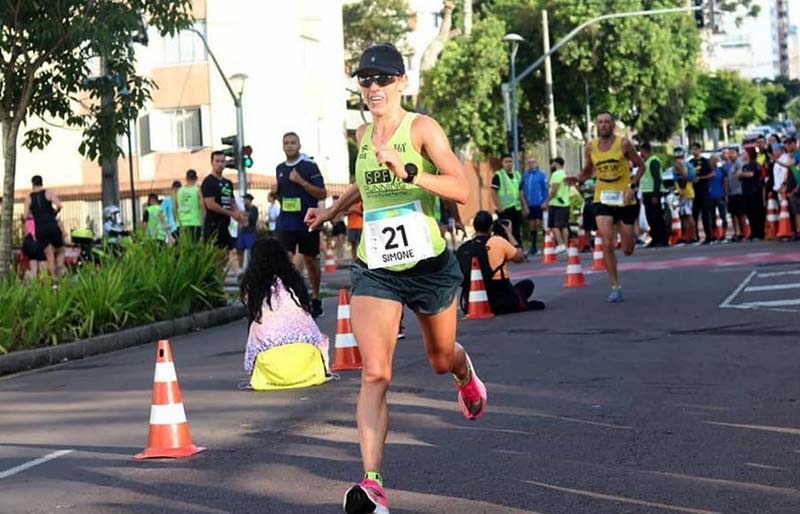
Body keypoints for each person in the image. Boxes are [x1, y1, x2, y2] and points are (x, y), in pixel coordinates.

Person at [304, 43, 485, 514]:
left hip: (427, 264)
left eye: (383, 79)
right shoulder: (363, 133)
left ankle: (465, 373)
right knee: (374, 372)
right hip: (377, 267)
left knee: (440, 359)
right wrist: (330, 211)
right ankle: (372, 484)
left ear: (402, 82)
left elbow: (461, 189)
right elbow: (366, 185)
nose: (374, 87)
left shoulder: (421, 128)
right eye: (365, 80)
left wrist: (409, 171)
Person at [567, 112, 647, 302]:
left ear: (613, 125)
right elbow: (587, 171)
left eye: (607, 122)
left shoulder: (624, 144)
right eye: (600, 122)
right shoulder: (591, 147)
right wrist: (577, 178)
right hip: (602, 197)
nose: (603, 125)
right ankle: (615, 286)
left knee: (627, 249)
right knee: (607, 242)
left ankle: (627, 235)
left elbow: (641, 166)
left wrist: (633, 186)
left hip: (625, 198)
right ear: (596, 125)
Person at [240, 238, 330, 390]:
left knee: (256, 326)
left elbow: (253, 315)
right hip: (307, 361)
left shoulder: (253, 287)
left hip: (271, 369)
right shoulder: (294, 283)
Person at [275, 132, 327, 318]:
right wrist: (274, 193)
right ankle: (290, 298)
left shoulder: (309, 166)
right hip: (286, 223)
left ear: (299, 145)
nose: (289, 146)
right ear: (283, 146)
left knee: (311, 262)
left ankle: (316, 297)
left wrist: (301, 182)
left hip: (306, 221)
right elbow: (283, 194)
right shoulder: (279, 168)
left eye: (293, 143)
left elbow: (322, 193)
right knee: (284, 261)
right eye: (286, 143)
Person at [456, 210, 544, 315]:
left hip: (473, 299)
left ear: (475, 227)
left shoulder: (464, 248)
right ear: (491, 227)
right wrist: (509, 233)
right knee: (527, 284)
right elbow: (520, 258)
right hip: (500, 298)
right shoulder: (497, 241)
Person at [202, 152, 247, 253]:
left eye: (222, 161)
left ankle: (233, 269)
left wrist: (239, 215)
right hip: (213, 226)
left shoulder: (228, 183)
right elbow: (211, 205)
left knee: (232, 252)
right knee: (216, 256)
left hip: (225, 226)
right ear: (212, 163)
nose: (220, 164)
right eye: (217, 161)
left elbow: (232, 202)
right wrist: (231, 214)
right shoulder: (208, 182)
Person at [23, 175, 65, 276]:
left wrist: (34, 215)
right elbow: (59, 205)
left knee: (48, 254)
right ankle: (60, 268)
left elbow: (25, 216)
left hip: (40, 228)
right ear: (42, 183)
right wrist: (54, 212)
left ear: (32, 184)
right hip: (51, 224)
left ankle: (54, 279)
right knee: (60, 250)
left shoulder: (29, 197)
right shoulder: (48, 193)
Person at [491, 154, 525, 246]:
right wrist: (499, 206)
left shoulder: (517, 175)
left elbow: (520, 192)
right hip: (505, 208)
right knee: (504, 231)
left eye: (510, 161)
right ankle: (505, 251)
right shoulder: (499, 175)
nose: (509, 164)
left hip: (516, 208)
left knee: (517, 231)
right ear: (502, 163)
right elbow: (493, 192)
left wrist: (524, 206)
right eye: (506, 162)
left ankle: (518, 251)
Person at [638, 142, 667, 247]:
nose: (640, 153)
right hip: (647, 193)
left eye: (641, 150)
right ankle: (655, 238)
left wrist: (655, 194)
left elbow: (657, 179)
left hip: (653, 193)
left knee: (657, 217)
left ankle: (662, 239)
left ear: (644, 150)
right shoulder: (646, 162)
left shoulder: (653, 161)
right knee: (650, 218)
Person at [520, 157, 548, 255]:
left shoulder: (541, 175)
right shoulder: (525, 175)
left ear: (536, 163)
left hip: (540, 204)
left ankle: (546, 246)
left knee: (543, 225)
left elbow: (546, 189)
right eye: (529, 162)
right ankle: (533, 246)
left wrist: (545, 202)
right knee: (532, 225)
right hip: (530, 204)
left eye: (533, 162)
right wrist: (525, 205)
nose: (531, 164)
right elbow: (522, 190)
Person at [689, 142, 715, 244]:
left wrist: (701, 178)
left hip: (704, 191)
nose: (694, 151)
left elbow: (712, 174)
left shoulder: (705, 161)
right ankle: (696, 236)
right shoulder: (690, 162)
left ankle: (708, 236)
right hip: (693, 192)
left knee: (705, 215)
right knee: (694, 215)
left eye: (696, 149)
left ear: (700, 150)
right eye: (692, 149)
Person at [544, 157, 571, 254]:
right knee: (564, 226)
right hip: (565, 202)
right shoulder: (565, 174)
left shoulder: (556, 174)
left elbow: (554, 190)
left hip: (556, 203)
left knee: (553, 225)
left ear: (556, 164)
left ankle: (560, 245)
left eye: (552, 163)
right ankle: (565, 246)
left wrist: (546, 202)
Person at [740, 149, 765, 240]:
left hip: (755, 192)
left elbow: (751, 174)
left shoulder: (754, 164)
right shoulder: (745, 166)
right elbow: (740, 176)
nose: (743, 155)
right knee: (750, 213)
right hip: (746, 193)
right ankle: (753, 232)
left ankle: (759, 233)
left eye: (745, 153)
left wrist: (742, 174)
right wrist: (742, 174)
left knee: (757, 213)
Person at [176, 169, 205, 241]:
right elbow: (203, 208)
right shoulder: (197, 190)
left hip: (181, 224)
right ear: (196, 178)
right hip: (195, 223)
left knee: (184, 249)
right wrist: (203, 225)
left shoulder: (179, 191)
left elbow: (175, 207)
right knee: (194, 248)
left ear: (186, 178)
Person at [726, 146, 746, 242]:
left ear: (737, 154)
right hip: (732, 193)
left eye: (732, 153)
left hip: (739, 191)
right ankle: (737, 233)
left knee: (741, 214)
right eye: (729, 153)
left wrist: (739, 173)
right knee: (734, 214)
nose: (730, 155)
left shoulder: (739, 162)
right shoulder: (731, 165)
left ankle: (743, 233)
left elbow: (741, 172)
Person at [708, 152, 728, 242]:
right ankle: (714, 234)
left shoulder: (721, 170)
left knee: (723, 215)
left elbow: (725, 182)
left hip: (720, 195)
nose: (714, 162)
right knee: (711, 217)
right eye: (713, 160)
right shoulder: (708, 171)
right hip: (710, 197)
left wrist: (726, 194)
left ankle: (724, 234)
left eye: (716, 160)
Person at [237, 194, 259, 272]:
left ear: (249, 200)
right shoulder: (242, 208)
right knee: (239, 250)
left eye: (246, 199)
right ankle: (240, 268)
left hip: (250, 232)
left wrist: (245, 215)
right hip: (242, 232)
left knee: (252, 251)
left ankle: (253, 268)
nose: (244, 201)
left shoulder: (254, 209)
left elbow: (253, 219)